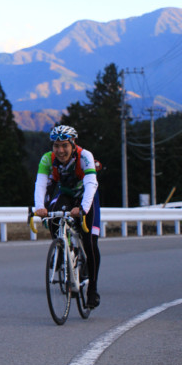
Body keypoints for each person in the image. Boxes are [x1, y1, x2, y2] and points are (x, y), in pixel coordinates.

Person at [33, 125, 102, 309]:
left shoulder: (85, 156)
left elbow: (90, 183)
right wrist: (40, 207)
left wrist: (83, 208)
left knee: (90, 242)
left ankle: (92, 290)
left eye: (64, 145)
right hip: (66, 194)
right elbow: (41, 184)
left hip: (86, 197)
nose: (60, 150)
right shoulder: (48, 159)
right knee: (54, 214)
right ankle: (63, 248)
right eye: (56, 146)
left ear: (73, 144)